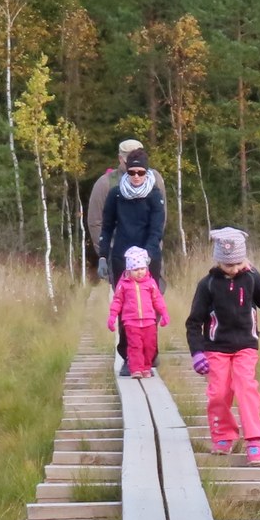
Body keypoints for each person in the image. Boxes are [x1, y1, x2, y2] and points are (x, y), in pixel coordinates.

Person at [187, 227, 260, 466]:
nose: (233, 269)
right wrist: (197, 352)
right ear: (218, 260)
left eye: (237, 264)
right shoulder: (208, 284)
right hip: (216, 347)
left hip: (246, 345)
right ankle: (223, 436)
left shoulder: (253, 279)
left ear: (244, 259)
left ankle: (254, 440)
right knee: (219, 393)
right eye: (227, 265)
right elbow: (194, 321)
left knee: (246, 388)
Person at [100, 148, 167, 375]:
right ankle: (129, 355)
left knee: (150, 305)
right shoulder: (116, 194)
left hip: (148, 257)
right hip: (122, 257)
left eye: (140, 172)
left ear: (146, 172)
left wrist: (146, 256)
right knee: (125, 308)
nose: (136, 176)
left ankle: (150, 353)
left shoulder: (154, 195)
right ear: (126, 172)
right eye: (132, 172)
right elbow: (107, 226)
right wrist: (102, 255)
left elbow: (157, 229)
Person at [87, 139, 144, 279]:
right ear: (120, 159)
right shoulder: (105, 184)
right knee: (121, 298)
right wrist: (104, 255)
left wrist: (154, 250)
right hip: (118, 256)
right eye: (129, 161)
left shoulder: (154, 180)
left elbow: (160, 220)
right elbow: (95, 222)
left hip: (147, 255)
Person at [106, 247, 167, 377]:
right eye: (136, 270)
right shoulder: (124, 284)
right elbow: (117, 301)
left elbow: (157, 299)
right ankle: (136, 369)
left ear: (146, 268)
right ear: (129, 270)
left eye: (142, 269)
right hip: (131, 321)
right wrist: (112, 316)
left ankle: (146, 367)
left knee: (149, 346)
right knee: (135, 346)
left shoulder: (150, 283)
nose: (140, 272)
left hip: (149, 320)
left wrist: (164, 314)